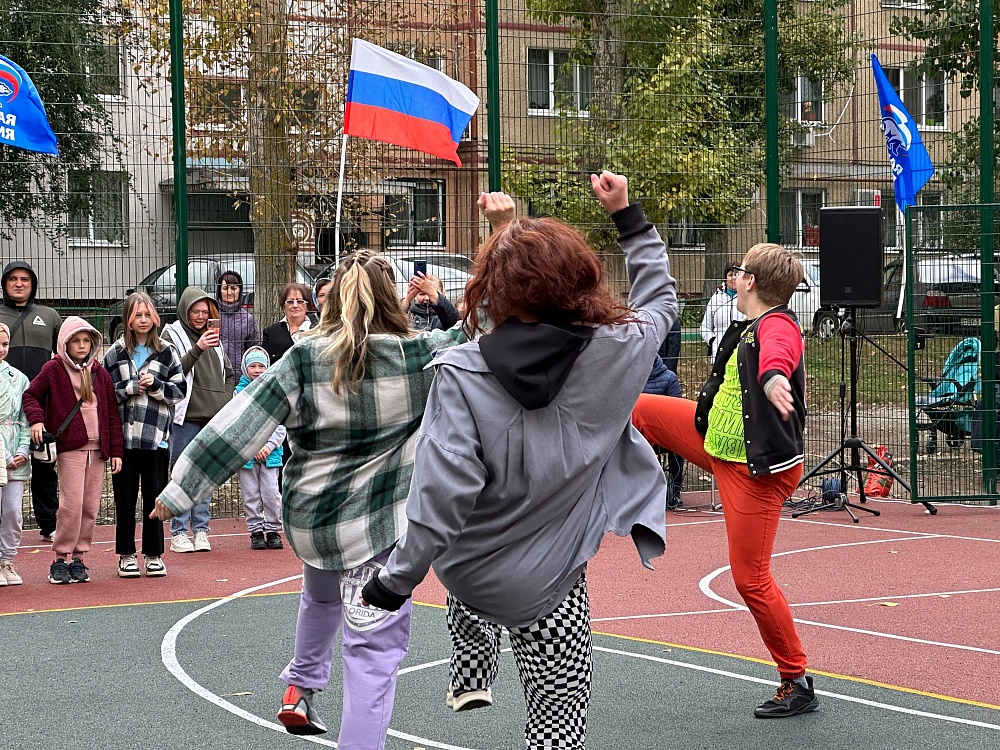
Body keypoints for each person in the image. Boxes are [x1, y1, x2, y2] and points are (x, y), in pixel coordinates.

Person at [361, 172, 676, 749]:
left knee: (462, 575)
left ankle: (470, 673)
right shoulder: (624, 349)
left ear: (496, 293)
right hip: (550, 581)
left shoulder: (463, 371)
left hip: (470, 571)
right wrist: (626, 214)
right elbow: (660, 300)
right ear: (581, 283)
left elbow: (441, 497)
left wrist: (395, 581)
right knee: (558, 717)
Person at [151, 248, 468, 743]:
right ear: (392, 298)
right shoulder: (421, 354)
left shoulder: (303, 357)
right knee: (372, 654)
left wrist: (180, 490)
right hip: (377, 523)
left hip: (312, 518)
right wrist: (499, 232)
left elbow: (240, 425)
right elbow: (485, 325)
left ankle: (300, 685)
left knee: (319, 596)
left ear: (330, 301)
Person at [631, 243, 819, 719]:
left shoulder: (777, 325)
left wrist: (774, 378)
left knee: (750, 579)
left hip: (752, 472)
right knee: (638, 410)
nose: (733, 277)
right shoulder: (750, 322)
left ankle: (796, 680)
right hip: (716, 440)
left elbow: (779, 352)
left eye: (738, 271)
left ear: (749, 281)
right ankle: (596, 487)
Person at [23, 317, 123, 584]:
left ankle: (78, 558)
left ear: (93, 343)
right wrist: (36, 420)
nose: (81, 346)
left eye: (86, 341)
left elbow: (112, 413)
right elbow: (31, 395)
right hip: (70, 448)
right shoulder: (53, 369)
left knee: (90, 506)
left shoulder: (100, 372)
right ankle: (60, 558)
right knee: (71, 504)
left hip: (98, 450)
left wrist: (116, 450)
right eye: (75, 341)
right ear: (64, 343)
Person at [104, 293, 186, 578]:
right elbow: (105, 394)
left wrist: (156, 385)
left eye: (147, 315)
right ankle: (126, 554)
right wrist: (130, 388)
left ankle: (154, 554)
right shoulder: (115, 352)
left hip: (156, 439)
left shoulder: (167, 351)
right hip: (125, 440)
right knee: (124, 499)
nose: (143, 320)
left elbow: (179, 390)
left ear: (155, 318)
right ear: (127, 319)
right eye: (137, 315)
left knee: (155, 497)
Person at [161, 288, 234, 553]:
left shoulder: (215, 338)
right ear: (185, 310)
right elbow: (172, 372)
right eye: (195, 311)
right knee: (182, 474)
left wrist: (224, 398)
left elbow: (229, 374)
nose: (201, 317)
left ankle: (201, 530)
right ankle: (179, 532)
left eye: (205, 312)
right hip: (186, 417)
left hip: (213, 418)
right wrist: (198, 348)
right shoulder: (171, 335)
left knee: (206, 475)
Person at [0, 262, 61, 541]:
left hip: (41, 403)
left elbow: (64, 354)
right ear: (4, 284)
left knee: (44, 465)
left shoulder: (49, 315)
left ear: (33, 284)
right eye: (12, 279)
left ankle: (49, 525)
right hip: (6, 408)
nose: (19, 283)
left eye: (25, 279)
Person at [235, 346, 285, 551]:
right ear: (245, 368)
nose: (257, 370)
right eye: (252, 366)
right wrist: (252, 447)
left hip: (270, 454)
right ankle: (255, 531)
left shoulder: (275, 391)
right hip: (246, 455)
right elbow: (237, 424)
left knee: (271, 493)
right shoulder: (239, 393)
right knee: (250, 494)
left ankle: (273, 530)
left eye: (261, 366)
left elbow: (280, 424)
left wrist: (268, 446)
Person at [0, 323, 30, 586]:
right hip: (2, 454)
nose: (1, 349)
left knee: (12, 511)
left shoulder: (19, 378)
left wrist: (22, 449)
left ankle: (6, 560)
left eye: (4, 344)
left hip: (15, 453)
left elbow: (26, 417)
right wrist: (5, 455)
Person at [642, 354, 685, 508]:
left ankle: (675, 490)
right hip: (640, 435)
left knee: (679, 447)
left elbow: (676, 410)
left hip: (661, 436)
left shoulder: (669, 378)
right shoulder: (631, 377)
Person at [216, 270, 260, 382]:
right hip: (215, 376)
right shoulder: (212, 316)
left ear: (239, 290)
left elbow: (254, 350)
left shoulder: (248, 319)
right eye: (225, 288)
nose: (229, 292)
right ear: (219, 290)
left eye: (234, 288)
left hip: (241, 379)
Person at [701, 263, 745, 359]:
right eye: (730, 275)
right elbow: (705, 327)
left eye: (737, 274)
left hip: (742, 353)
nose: (733, 278)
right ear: (725, 278)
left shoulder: (748, 298)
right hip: (719, 353)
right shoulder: (715, 299)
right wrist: (713, 341)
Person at [261, 282, 313, 363]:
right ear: (283, 306)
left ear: (307, 306)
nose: (295, 305)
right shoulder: (271, 332)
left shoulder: (318, 329)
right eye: (290, 302)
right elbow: (265, 363)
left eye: (300, 301)